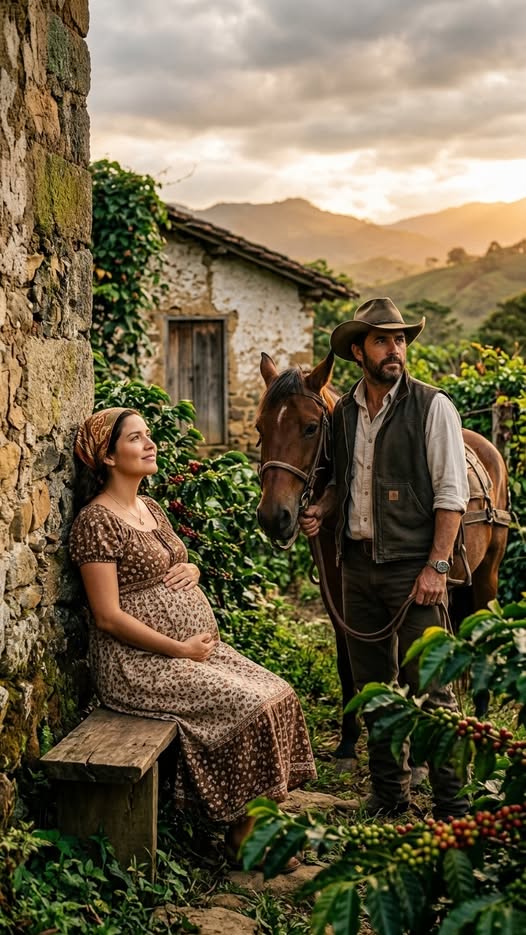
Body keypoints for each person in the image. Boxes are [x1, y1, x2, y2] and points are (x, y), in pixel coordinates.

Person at [69, 407, 316, 868]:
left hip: (191, 652)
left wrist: (193, 569)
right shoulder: (96, 521)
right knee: (248, 705)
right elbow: (107, 617)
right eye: (135, 438)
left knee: (279, 692)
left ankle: (260, 820)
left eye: (148, 435)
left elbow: (172, 563)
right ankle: (242, 835)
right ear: (107, 456)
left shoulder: (150, 508)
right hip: (136, 664)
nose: (150, 444)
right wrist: (179, 648)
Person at [299, 297, 470, 820]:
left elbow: (452, 495)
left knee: (432, 691)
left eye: (399, 340)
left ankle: (454, 805)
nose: (394, 349)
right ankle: (390, 795)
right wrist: (323, 508)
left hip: (413, 569)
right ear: (358, 351)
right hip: (357, 568)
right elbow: (343, 481)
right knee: (374, 691)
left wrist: (436, 566)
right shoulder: (344, 412)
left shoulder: (432, 406)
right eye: (382, 341)